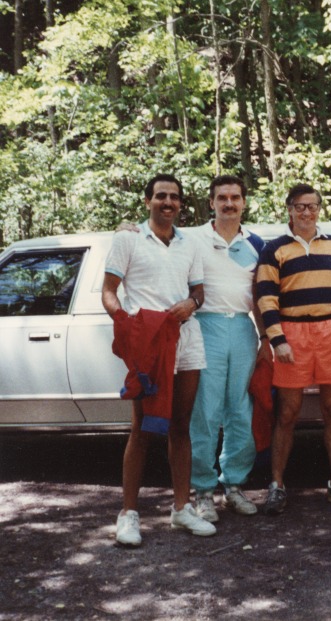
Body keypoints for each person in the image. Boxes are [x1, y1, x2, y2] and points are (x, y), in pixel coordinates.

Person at [102, 174, 216, 546]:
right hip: (148, 342)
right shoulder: (128, 238)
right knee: (143, 427)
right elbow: (109, 291)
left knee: (180, 424)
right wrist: (129, 328)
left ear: (182, 204)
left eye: (175, 197)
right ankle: (128, 514)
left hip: (187, 339)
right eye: (161, 196)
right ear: (148, 199)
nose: (168, 202)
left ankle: (181, 509)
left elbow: (198, 290)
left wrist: (192, 303)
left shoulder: (189, 243)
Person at [255, 183, 331, 514]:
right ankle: (276, 484)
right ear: (289, 209)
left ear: (319, 209)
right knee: (287, 412)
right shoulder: (275, 249)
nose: (306, 212)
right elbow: (265, 297)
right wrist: (278, 339)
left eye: (312, 206)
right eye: (300, 206)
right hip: (293, 333)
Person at [189, 175, 268, 522]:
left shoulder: (256, 243)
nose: (229, 203)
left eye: (235, 197)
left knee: (240, 409)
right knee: (205, 411)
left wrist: (265, 337)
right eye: (222, 197)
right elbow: (156, 245)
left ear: (244, 202)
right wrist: (130, 229)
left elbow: (263, 295)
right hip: (205, 326)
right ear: (211, 203)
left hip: (242, 326)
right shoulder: (190, 238)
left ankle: (234, 485)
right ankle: (202, 491)